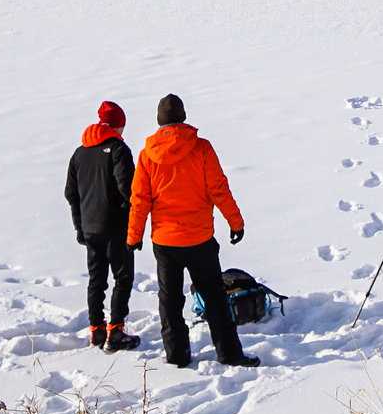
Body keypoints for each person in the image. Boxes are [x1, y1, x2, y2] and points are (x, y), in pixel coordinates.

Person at [126, 94, 258, 369]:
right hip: (199, 239)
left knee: (170, 301)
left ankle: (176, 356)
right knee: (214, 299)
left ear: (159, 121)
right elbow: (218, 188)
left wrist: (134, 236)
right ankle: (230, 354)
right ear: (183, 118)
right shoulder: (202, 148)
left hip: (165, 241)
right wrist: (236, 222)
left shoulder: (147, 154)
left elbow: (140, 199)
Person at [64, 100, 140, 352]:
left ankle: (96, 330)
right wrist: (132, 217)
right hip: (116, 228)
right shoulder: (119, 149)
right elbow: (128, 189)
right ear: (119, 125)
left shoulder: (79, 153)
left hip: (89, 229)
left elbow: (71, 193)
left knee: (97, 280)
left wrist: (80, 226)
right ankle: (116, 331)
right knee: (123, 277)